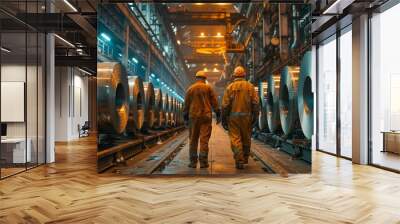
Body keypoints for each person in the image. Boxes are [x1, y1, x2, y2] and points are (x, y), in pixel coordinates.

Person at [221, 66, 259, 169]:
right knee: (246, 138)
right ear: (244, 75)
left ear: (234, 76)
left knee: (235, 139)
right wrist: (255, 116)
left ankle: (239, 160)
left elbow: (225, 105)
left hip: (233, 118)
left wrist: (223, 119)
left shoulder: (230, 87)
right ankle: (245, 158)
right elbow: (255, 103)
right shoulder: (250, 87)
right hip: (247, 117)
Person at [183, 70, 221, 168]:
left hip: (194, 117)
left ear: (196, 78)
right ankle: (203, 162)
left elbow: (186, 105)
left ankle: (193, 162)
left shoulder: (190, 89)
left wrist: (185, 118)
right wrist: (218, 114)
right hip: (206, 116)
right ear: (205, 79)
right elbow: (215, 103)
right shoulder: (208, 88)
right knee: (204, 140)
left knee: (193, 139)